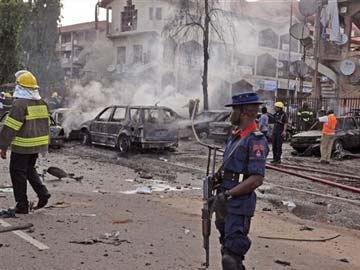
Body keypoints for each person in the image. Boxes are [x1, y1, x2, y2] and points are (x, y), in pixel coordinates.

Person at [213, 92, 269, 270]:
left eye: (233, 110)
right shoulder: (236, 136)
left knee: (231, 257)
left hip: (239, 202)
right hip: (225, 198)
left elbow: (256, 179)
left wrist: (229, 194)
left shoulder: (256, 140)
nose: (231, 115)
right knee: (226, 248)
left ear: (244, 112)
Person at [0, 71, 51, 214]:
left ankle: (21, 204)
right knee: (29, 169)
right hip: (37, 145)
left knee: (17, 172)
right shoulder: (43, 103)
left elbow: (10, 127)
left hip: (23, 146)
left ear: (20, 87)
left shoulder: (19, 104)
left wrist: (3, 146)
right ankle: (43, 193)